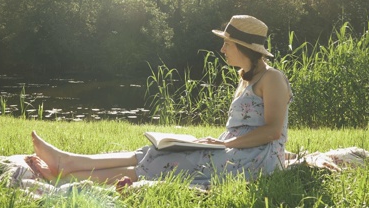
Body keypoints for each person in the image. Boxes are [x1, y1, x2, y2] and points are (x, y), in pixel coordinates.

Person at [28, 15, 292, 185]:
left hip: (259, 158)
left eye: (228, 44)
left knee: (176, 162)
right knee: (158, 151)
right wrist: (220, 142)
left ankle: (67, 180)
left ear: (244, 47)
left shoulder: (273, 79)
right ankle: (70, 162)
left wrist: (226, 143)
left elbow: (272, 131)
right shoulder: (245, 77)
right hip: (235, 147)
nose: (222, 48)